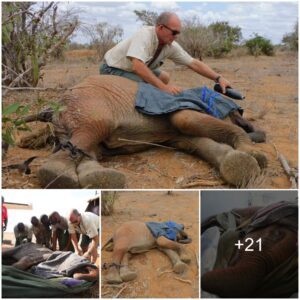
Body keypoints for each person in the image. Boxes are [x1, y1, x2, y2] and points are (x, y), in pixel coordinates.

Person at [100, 11, 230, 95]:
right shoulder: (144, 34)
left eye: (178, 33)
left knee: (164, 77)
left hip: (131, 71)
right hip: (112, 68)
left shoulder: (170, 44)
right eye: (174, 32)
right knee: (150, 89)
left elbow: (194, 63)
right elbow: (137, 66)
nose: (176, 36)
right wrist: (163, 88)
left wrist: (218, 78)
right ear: (160, 27)